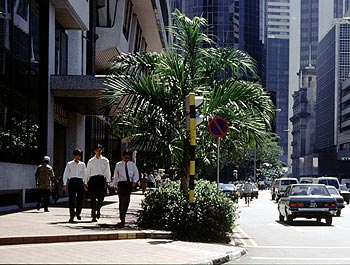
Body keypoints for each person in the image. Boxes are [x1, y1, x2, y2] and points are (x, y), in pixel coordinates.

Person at [85, 144, 111, 222]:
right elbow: (87, 172)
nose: (99, 152)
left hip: (101, 180)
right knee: (92, 198)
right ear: (94, 151)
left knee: (101, 198)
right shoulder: (91, 161)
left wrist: (108, 181)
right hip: (93, 180)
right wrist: (86, 182)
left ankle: (98, 209)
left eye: (100, 150)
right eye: (97, 150)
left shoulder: (105, 160)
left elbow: (107, 171)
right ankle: (93, 215)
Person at [113, 150, 139, 227]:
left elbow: (136, 173)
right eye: (125, 157)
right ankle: (122, 217)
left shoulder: (132, 165)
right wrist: (115, 185)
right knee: (121, 200)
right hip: (121, 183)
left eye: (128, 158)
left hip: (128, 184)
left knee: (127, 200)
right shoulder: (118, 165)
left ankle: (124, 213)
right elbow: (116, 175)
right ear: (123, 157)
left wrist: (134, 181)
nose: (127, 159)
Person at [63, 148, 86, 223]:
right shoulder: (69, 164)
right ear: (74, 156)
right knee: (71, 200)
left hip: (79, 181)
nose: (78, 157)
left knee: (80, 199)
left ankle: (78, 213)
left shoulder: (82, 164)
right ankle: (71, 216)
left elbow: (85, 174)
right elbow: (66, 173)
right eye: (76, 155)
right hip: (72, 181)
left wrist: (85, 183)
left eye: (79, 156)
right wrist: (64, 183)